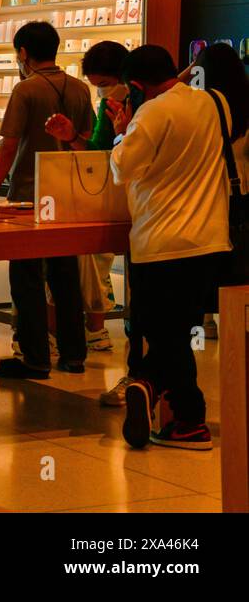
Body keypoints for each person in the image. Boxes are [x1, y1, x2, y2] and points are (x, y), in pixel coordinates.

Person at [110, 45, 230, 450]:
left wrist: (122, 131)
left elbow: (122, 168)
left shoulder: (151, 113)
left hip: (160, 242)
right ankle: (187, 421)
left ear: (136, 86)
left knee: (164, 334)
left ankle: (149, 384)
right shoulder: (213, 104)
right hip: (210, 240)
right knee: (177, 333)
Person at [0, 21, 94, 379]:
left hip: (28, 197)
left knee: (27, 276)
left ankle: (35, 357)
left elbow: (9, 144)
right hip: (67, 196)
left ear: (24, 53)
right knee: (65, 275)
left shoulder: (25, 90)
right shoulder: (80, 88)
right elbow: (86, 139)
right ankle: (75, 354)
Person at [45, 40, 129, 371]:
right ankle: (96, 329)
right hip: (108, 191)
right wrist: (72, 137)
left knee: (92, 260)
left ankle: (90, 329)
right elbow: (97, 149)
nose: (102, 93)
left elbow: (107, 152)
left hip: (112, 196)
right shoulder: (110, 106)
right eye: (98, 87)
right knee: (96, 263)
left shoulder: (126, 105)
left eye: (105, 85)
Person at [182, 42, 249, 340]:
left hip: (206, 196)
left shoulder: (198, 106)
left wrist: (187, 71)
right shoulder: (245, 105)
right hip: (242, 195)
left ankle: (203, 326)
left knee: (203, 266)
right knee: (238, 261)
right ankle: (237, 323)